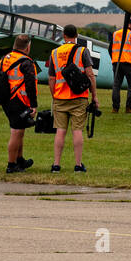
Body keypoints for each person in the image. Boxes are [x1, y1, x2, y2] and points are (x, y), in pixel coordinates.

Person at [46, 25, 99, 173]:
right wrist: (94, 96)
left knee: (60, 132)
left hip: (60, 98)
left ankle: (56, 165)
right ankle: (78, 164)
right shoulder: (82, 51)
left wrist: (54, 95)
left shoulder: (54, 52)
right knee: (77, 131)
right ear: (76, 35)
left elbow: (51, 78)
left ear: (63, 36)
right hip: (79, 98)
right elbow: (90, 74)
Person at [0, 34, 38, 174]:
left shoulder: (5, 58)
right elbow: (30, 85)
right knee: (16, 132)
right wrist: (33, 104)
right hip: (18, 100)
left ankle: (19, 159)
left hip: (6, 99)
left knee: (20, 130)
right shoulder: (26, 62)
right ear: (27, 47)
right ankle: (11, 164)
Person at [109, 21, 131, 114]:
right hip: (128, 63)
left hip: (116, 63)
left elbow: (110, 49)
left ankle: (115, 108)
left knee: (116, 85)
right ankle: (129, 108)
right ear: (130, 24)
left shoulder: (115, 34)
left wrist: (114, 59)